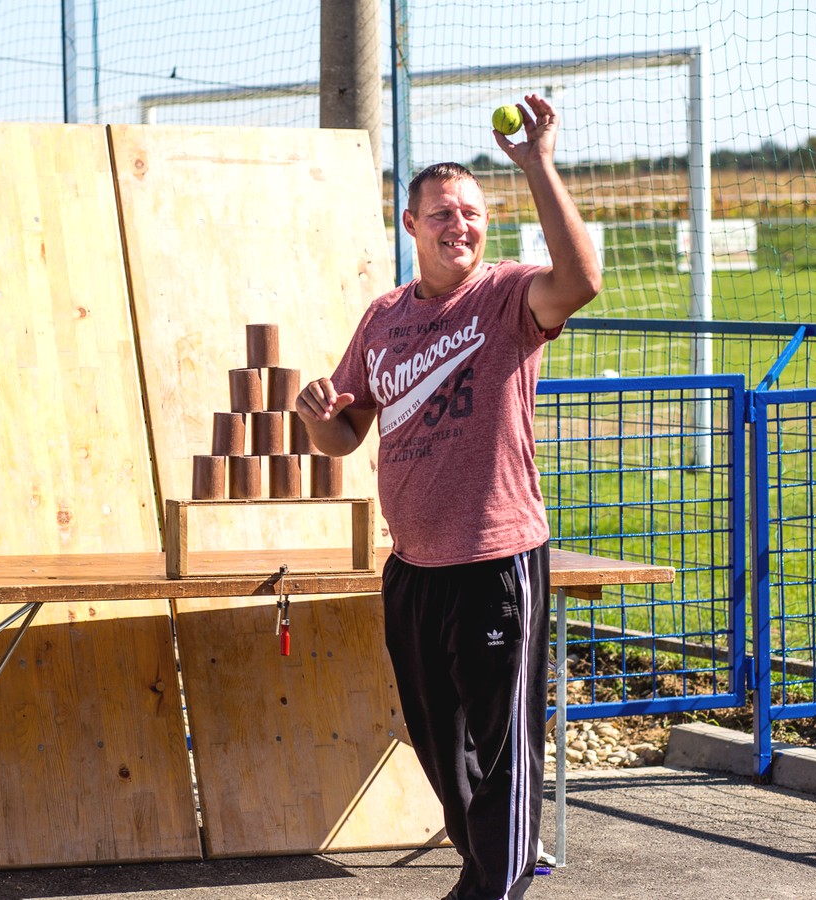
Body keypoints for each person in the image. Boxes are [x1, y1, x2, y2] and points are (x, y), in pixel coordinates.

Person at [295, 94, 601, 900]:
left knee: (503, 749)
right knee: (438, 744)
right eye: (441, 213)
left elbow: (582, 279)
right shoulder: (385, 317)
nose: (457, 224)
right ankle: (487, 871)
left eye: (470, 212)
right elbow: (346, 436)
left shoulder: (508, 297)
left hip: (495, 559)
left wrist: (536, 164)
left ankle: (495, 885)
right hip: (413, 568)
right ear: (410, 224)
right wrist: (318, 418)